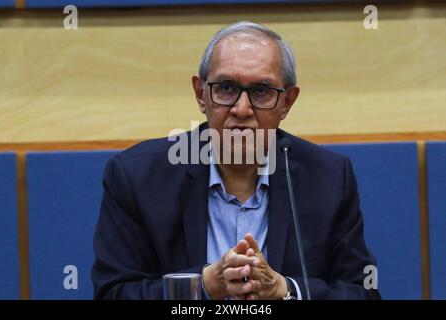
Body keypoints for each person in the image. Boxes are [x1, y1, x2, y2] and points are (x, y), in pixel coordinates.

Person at [91, 21, 380, 300]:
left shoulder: (329, 179)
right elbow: (114, 293)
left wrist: (285, 291)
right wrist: (204, 286)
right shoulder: (138, 177)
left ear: (287, 103)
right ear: (201, 94)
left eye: (261, 91)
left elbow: (363, 293)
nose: (242, 109)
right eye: (226, 88)